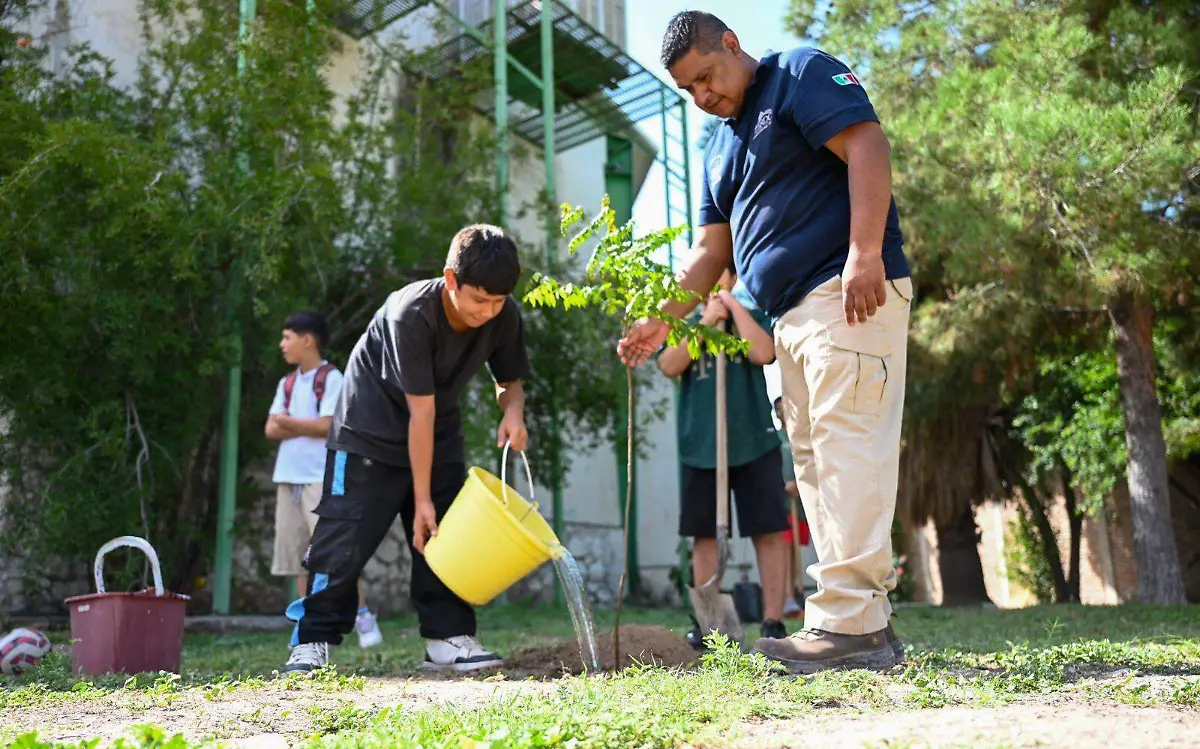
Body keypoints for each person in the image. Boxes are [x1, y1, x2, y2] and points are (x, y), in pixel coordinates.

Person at [619, 11, 912, 674]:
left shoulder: (799, 74)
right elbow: (708, 251)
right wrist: (665, 318)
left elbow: (866, 143)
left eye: (707, 77)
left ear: (731, 44)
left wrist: (865, 250)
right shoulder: (717, 145)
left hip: (846, 294)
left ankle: (849, 623)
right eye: (689, 90)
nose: (703, 97)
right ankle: (858, 625)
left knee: (846, 453)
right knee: (813, 467)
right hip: (786, 319)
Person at [282, 225, 530, 674]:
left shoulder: (503, 313)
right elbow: (419, 412)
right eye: (479, 300)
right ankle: (312, 640)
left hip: (437, 429)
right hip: (367, 431)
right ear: (451, 280)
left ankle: (447, 638)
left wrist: (513, 413)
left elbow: (509, 381)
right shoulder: (411, 313)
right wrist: (420, 501)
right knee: (343, 540)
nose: (488, 312)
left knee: (447, 536)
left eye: (498, 302)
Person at [658, 271, 789, 646]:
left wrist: (732, 307)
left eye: (721, 275)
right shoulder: (679, 322)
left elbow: (764, 352)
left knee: (767, 530)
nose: (714, 283)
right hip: (700, 444)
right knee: (704, 535)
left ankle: (773, 623)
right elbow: (669, 365)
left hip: (752, 439)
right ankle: (710, 623)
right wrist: (706, 321)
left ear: (734, 277)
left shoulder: (751, 312)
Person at [265, 311, 383, 650]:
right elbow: (270, 428)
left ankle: (361, 614)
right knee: (299, 560)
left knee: (332, 556)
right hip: (288, 480)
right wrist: (300, 423)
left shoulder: (332, 379)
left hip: (320, 480)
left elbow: (329, 425)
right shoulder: (286, 384)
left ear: (308, 339)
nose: (282, 344)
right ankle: (307, 623)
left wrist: (290, 422)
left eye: (288, 337)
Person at [774, 396, 809, 620]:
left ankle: (798, 590)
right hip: (783, 502)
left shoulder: (801, 436)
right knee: (784, 547)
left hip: (801, 502)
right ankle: (787, 596)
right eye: (778, 409)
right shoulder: (775, 438)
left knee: (796, 548)